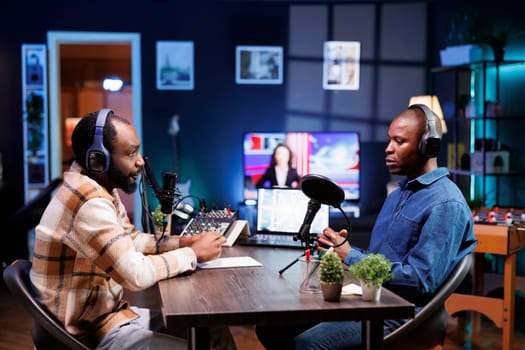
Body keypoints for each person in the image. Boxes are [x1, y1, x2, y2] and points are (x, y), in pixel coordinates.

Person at [255, 104, 477, 349]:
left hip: (398, 315)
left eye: (399, 141)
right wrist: (340, 251)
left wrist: (350, 255)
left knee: (306, 346)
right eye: (389, 140)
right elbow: (380, 260)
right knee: (270, 328)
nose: (388, 148)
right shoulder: (397, 195)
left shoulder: (445, 204)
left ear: (428, 147)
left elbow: (420, 282)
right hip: (371, 300)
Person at [30, 109, 237, 350]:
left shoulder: (98, 187)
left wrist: (183, 243)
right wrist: (194, 254)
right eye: (131, 153)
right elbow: (136, 275)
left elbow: (130, 239)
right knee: (203, 343)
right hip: (87, 335)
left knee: (212, 329)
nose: (140, 161)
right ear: (97, 160)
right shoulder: (88, 202)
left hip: (108, 319)